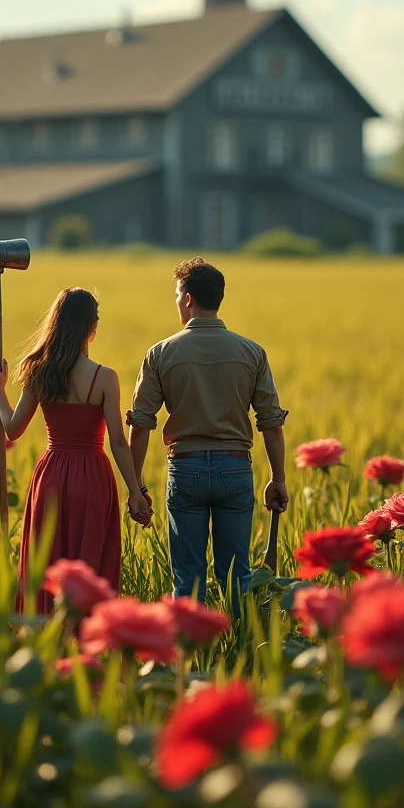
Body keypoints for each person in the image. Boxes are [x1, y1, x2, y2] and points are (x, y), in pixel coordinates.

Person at [126, 257, 288, 616]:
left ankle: (189, 660)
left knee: (187, 580)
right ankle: (242, 651)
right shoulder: (251, 352)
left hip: (185, 471)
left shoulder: (160, 353)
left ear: (187, 299)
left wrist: (135, 487)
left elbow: (141, 426)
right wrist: (277, 479)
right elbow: (271, 424)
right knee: (236, 577)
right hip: (235, 470)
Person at [0, 287, 150, 613]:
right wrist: (135, 492)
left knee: (47, 560)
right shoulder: (105, 377)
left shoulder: (38, 371)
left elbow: (13, 428)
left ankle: (45, 636)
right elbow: (118, 441)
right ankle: (86, 641)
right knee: (91, 566)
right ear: (91, 327)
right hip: (93, 477)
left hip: (51, 476)